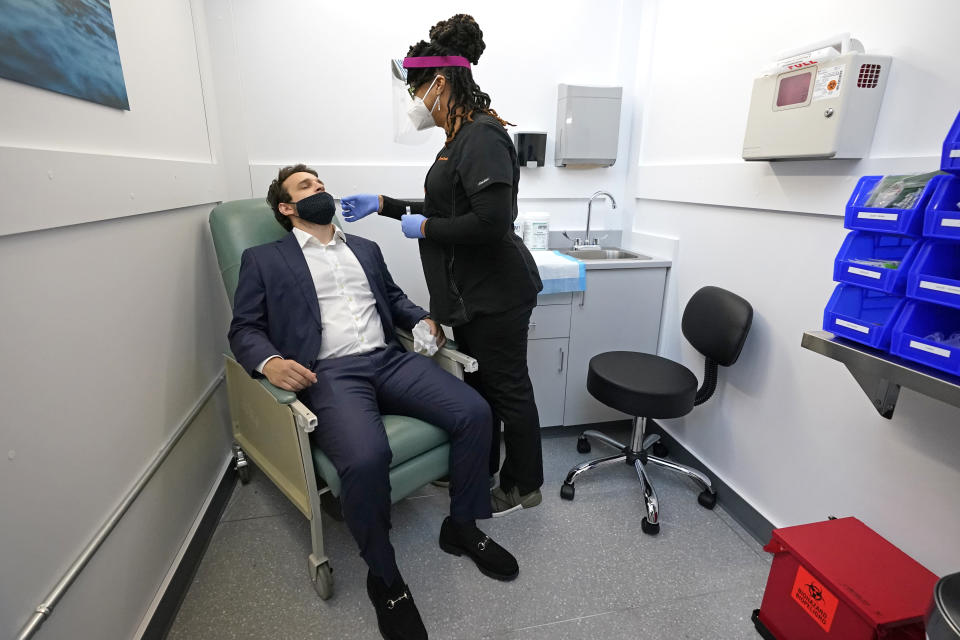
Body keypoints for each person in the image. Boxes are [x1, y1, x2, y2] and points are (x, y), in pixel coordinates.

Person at [228, 164, 519, 640]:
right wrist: (269, 361)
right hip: (331, 373)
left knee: (475, 411)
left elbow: (392, 298)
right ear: (286, 207)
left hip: (389, 359)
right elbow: (243, 329)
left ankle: (462, 526)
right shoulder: (264, 259)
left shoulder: (364, 247)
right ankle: (384, 576)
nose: (318, 188)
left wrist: (422, 318)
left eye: (319, 182)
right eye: (305, 186)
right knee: (365, 458)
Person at [341, 14, 545, 517]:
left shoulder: (483, 136)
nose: (415, 103)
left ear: (440, 83)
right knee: (479, 386)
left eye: (416, 90)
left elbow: (491, 222)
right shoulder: (457, 140)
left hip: (498, 292)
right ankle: (482, 468)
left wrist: (426, 229)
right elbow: (447, 206)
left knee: (507, 389)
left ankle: (525, 484)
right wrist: (386, 204)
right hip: (471, 294)